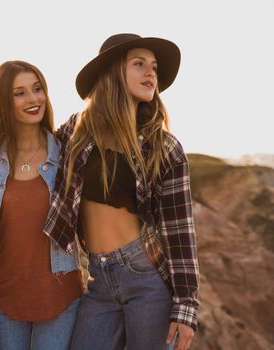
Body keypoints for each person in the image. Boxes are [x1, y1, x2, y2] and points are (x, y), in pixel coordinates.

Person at [43, 34, 200, 350]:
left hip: (145, 278)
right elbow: (35, 150)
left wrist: (186, 306)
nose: (151, 73)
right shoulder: (77, 130)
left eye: (154, 67)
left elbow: (180, 232)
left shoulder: (165, 147)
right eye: (139, 64)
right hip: (98, 278)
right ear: (113, 72)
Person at [0, 60, 84, 350]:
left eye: (37, 89)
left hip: (59, 295)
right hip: (4, 296)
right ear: (4, 101)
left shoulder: (67, 152)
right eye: (20, 93)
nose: (33, 99)